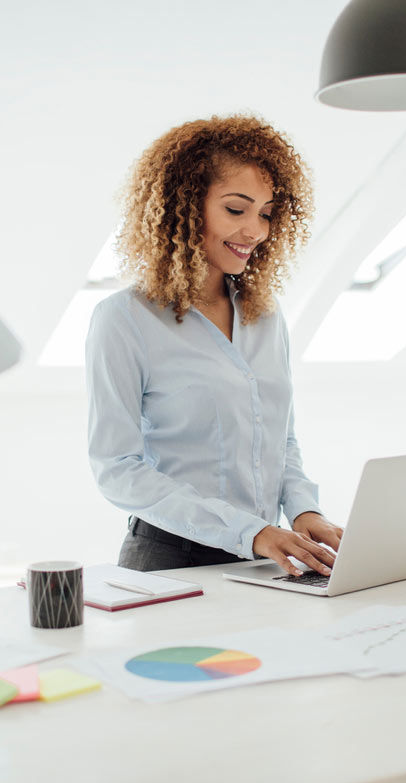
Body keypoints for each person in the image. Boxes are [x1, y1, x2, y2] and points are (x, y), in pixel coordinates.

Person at [85, 114, 343, 577]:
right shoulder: (124, 319)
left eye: (266, 214)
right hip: (170, 561)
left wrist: (305, 511)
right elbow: (117, 468)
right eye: (236, 209)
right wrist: (249, 531)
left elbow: (279, 440)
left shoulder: (265, 315)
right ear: (183, 205)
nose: (255, 231)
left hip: (267, 556)